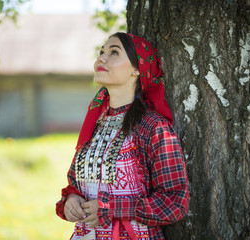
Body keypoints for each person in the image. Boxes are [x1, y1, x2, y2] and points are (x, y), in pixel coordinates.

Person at [56, 32, 189, 240]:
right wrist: (72, 199)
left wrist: (113, 208)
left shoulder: (153, 127)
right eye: (101, 52)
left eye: (114, 52)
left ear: (137, 69)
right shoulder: (96, 123)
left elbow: (175, 202)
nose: (101, 58)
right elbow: (75, 181)